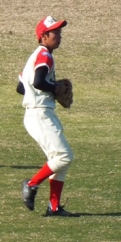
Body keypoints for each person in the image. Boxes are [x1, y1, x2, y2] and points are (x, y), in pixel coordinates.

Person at [17, 16, 78, 217]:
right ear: (44, 36)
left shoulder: (35, 56)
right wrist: (55, 88)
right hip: (39, 114)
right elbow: (38, 82)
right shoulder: (44, 55)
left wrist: (46, 89)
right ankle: (31, 184)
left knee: (58, 160)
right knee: (64, 156)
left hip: (39, 114)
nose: (59, 36)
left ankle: (54, 207)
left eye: (60, 32)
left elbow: (21, 87)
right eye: (55, 32)